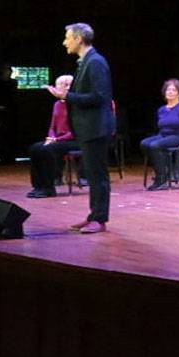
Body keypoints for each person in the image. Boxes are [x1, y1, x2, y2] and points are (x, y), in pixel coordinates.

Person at [48, 22, 114, 234]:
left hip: (95, 128)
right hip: (87, 128)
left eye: (68, 37)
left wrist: (67, 96)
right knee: (93, 175)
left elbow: (99, 96)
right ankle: (93, 216)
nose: (65, 41)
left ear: (78, 38)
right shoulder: (85, 62)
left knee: (97, 175)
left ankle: (100, 219)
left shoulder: (95, 62)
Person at [139, 78, 179, 191]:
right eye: (168, 90)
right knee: (144, 143)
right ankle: (162, 169)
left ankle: (161, 179)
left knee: (154, 145)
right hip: (164, 135)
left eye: (173, 90)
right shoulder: (161, 109)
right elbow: (162, 128)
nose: (170, 92)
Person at [27, 74, 79, 198]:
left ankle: (48, 188)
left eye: (65, 85)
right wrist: (51, 137)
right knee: (35, 148)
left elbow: (75, 130)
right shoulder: (57, 105)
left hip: (73, 139)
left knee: (47, 149)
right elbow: (52, 126)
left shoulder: (75, 105)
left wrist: (56, 140)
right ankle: (38, 186)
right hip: (58, 139)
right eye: (58, 86)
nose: (61, 88)